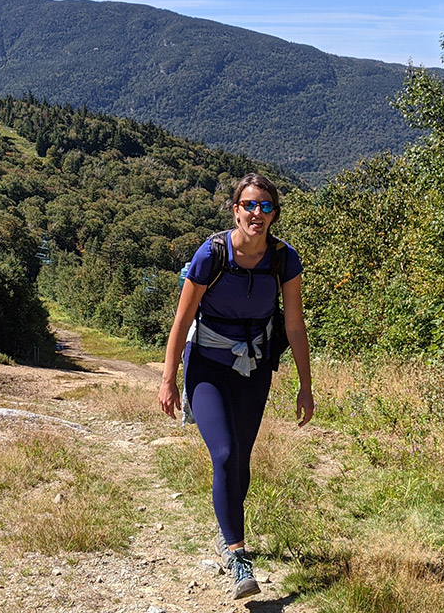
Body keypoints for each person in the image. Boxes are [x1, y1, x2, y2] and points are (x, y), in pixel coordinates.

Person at [158, 172, 314, 600]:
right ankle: (238, 554)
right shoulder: (212, 255)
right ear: (236, 209)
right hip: (207, 364)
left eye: (266, 206)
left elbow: (295, 325)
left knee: (241, 458)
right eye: (249, 205)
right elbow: (183, 319)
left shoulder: (284, 259)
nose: (257, 214)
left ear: (274, 214)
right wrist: (169, 378)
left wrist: (305, 385)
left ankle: (228, 527)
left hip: (255, 365)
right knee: (224, 452)